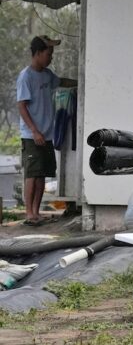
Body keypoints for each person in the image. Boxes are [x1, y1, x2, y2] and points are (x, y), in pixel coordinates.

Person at [16, 36, 77, 226]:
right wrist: (34, 131)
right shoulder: (26, 77)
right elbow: (22, 106)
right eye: (48, 54)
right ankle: (29, 213)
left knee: (42, 174)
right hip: (31, 135)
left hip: (47, 133)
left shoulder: (47, 74)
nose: (51, 58)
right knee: (32, 175)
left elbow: (61, 81)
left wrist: (82, 81)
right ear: (37, 53)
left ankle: (36, 212)